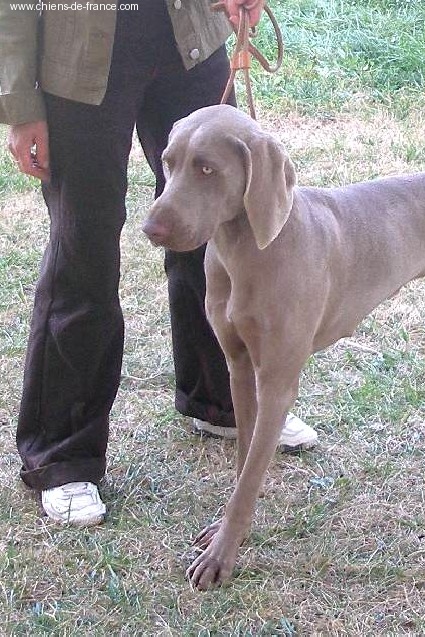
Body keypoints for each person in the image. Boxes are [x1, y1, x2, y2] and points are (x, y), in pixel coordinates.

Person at [0, 0, 317, 527]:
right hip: (76, 61)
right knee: (85, 250)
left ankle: (219, 402)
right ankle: (63, 455)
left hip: (187, 39)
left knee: (214, 229)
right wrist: (21, 103)